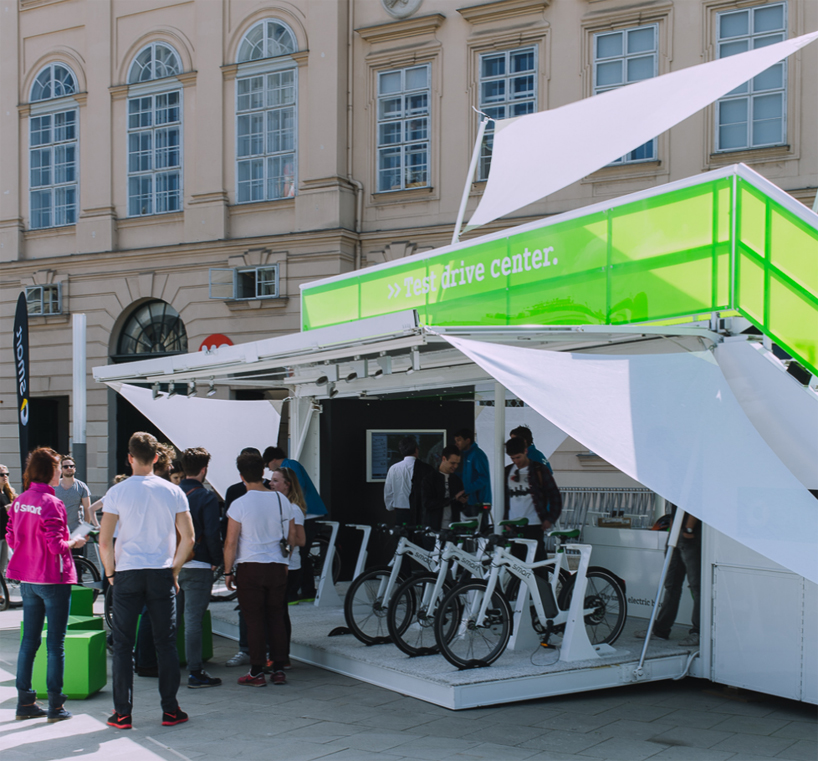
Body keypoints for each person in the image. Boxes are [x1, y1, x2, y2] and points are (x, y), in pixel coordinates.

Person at [99, 432, 194, 730]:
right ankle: (170, 710)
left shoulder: (117, 492)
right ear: (156, 458)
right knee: (165, 644)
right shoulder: (173, 491)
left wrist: (111, 573)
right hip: (160, 572)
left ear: (129, 458)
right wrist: (175, 571)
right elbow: (189, 538)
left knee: (124, 645)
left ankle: (123, 713)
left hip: (126, 573)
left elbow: (104, 541)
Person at [6, 447, 87, 722]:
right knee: (56, 643)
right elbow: (56, 546)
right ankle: (55, 705)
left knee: (29, 643)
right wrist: (75, 542)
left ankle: (25, 702)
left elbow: (11, 536)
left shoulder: (20, 500)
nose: (60, 470)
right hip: (53, 578)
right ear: (48, 470)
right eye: (56, 466)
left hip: (28, 578)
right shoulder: (51, 503)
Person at [224, 451, 296, 687]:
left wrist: (227, 571)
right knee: (276, 616)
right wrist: (286, 562)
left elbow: (231, 542)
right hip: (277, 565)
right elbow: (291, 537)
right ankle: (278, 668)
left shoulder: (239, 504)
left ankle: (256, 670)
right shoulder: (281, 500)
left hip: (250, 566)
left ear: (241, 476)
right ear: (263, 472)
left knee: (254, 619)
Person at [178, 447, 223, 689]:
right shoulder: (205, 497)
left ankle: (167, 665)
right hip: (199, 563)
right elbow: (212, 532)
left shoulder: (172, 492)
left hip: (173, 564)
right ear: (204, 469)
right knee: (193, 620)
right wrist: (217, 559)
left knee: (172, 619)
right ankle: (195, 672)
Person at [264, 446, 327, 604]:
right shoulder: (291, 465)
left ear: (272, 460)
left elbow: (298, 487)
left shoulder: (289, 466)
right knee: (303, 554)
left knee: (301, 552)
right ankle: (305, 591)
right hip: (308, 511)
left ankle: (302, 590)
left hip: (310, 512)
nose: (268, 470)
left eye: (267, 465)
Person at [636, 505, 701, 647]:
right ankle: (661, 630)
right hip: (678, 535)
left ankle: (698, 631)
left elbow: (699, 503)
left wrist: (688, 528)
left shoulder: (693, 484)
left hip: (689, 535)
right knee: (672, 585)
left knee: (696, 587)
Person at [269, 467, 307, 666]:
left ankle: (281, 656)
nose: (271, 483)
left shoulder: (292, 508)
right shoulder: (279, 505)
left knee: (279, 611)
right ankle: (279, 655)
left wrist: (285, 548)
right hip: (280, 564)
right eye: (271, 480)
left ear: (287, 484)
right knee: (278, 611)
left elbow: (301, 539)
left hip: (289, 567)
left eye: (276, 480)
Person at [503, 437, 562, 562]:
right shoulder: (507, 471)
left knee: (537, 562)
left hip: (534, 524)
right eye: (512, 458)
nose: (515, 461)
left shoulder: (538, 470)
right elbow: (504, 498)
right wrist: (505, 520)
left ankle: (542, 582)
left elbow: (554, 495)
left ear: (525, 451)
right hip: (513, 525)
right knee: (515, 564)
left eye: (518, 457)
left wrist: (550, 518)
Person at [383, 436, 433, 526]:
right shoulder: (426, 468)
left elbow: (388, 492)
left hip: (400, 512)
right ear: (416, 450)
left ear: (401, 451)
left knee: (402, 538)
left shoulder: (393, 468)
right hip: (420, 513)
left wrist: (391, 507)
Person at [421, 445, 467, 530]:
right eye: (452, 463)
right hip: (433, 527)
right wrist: (452, 499)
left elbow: (459, 507)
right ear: (444, 459)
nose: (455, 466)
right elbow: (427, 503)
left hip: (453, 528)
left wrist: (462, 501)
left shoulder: (456, 480)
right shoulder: (429, 479)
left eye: (457, 463)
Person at [454, 429, 491, 517]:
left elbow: (484, 478)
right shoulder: (467, 455)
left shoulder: (477, 454)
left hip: (479, 502)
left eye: (459, 440)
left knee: (478, 530)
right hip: (470, 501)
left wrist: (466, 491)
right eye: (455, 441)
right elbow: (468, 477)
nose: (456, 443)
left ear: (468, 441)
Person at [54, 455, 95, 533]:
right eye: (65, 466)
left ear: (75, 469)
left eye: (71, 466)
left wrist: (85, 531)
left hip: (76, 531)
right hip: (58, 530)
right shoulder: (54, 486)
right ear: (61, 469)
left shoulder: (82, 487)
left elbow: (87, 509)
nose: (69, 468)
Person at [0, 463, 16, 578]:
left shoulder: (7, 493)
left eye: (7, 474)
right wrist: (5, 508)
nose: (5, 476)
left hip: (5, 535)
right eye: (1, 474)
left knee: (1, 569)